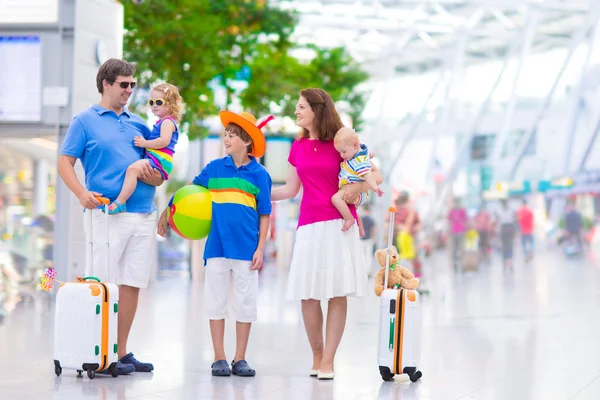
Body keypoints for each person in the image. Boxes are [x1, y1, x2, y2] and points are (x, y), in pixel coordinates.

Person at [58, 58, 163, 375]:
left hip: (143, 213)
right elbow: (65, 163)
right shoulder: (85, 121)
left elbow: (158, 171)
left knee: (132, 284)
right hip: (105, 213)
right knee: (103, 284)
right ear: (106, 83)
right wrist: (80, 193)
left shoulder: (139, 124)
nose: (129, 90)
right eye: (123, 84)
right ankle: (99, 352)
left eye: (132, 84)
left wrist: (155, 177)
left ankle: (119, 352)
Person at [271, 88, 383, 380]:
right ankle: (317, 355)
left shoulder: (341, 141)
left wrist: (355, 189)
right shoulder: (298, 146)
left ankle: (329, 360)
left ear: (318, 109)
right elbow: (289, 189)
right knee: (308, 295)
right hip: (308, 224)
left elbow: (375, 175)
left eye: (301, 107)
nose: (296, 112)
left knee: (336, 293)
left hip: (339, 224)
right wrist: (254, 194)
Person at [158, 111, 272, 377]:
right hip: (217, 247)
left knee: (245, 303)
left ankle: (240, 358)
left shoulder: (260, 175)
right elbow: (190, 192)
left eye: (231, 135)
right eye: (225, 134)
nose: (226, 139)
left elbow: (265, 213)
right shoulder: (214, 169)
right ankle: (219, 357)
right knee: (216, 302)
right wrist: (166, 211)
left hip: (246, 249)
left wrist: (260, 248)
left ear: (246, 141)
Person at [107, 83, 183, 215]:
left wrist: (144, 143)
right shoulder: (162, 121)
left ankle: (120, 202)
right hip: (158, 160)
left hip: (160, 159)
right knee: (136, 172)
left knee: (132, 170)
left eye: (159, 102)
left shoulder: (167, 122)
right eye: (151, 101)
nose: (154, 105)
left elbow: (164, 141)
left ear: (171, 104)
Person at [331, 127, 383, 235]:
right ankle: (361, 230)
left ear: (355, 145)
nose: (342, 156)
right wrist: (370, 154)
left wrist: (375, 187)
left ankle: (349, 219)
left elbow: (367, 175)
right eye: (340, 152)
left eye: (344, 152)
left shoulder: (357, 161)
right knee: (352, 209)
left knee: (335, 199)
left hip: (351, 187)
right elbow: (369, 153)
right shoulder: (362, 153)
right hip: (357, 191)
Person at [393, 191, 422, 277]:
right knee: (399, 259)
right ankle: (399, 279)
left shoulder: (412, 210)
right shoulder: (395, 209)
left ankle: (416, 279)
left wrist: (415, 228)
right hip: (398, 238)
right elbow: (390, 223)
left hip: (410, 238)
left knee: (414, 259)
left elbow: (419, 223)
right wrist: (400, 227)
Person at [447, 199, 468, 269]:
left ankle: (462, 260)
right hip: (454, 231)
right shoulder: (451, 211)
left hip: (461, 231)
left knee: (461, 246)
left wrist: (465, 229)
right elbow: (449, 221)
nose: (456, 204)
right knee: (454, 247)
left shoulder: (462, 211)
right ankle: (455, 261)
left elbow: (466, 220)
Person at [496, 199, 517, 269]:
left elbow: (498, 222)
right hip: (508, 229)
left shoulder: (500, 211)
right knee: (508, 247)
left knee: (507, 247)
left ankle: (507, 263)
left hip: (505, 229)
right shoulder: (510, 210)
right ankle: (508, 263)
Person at [359, 205, 376, 277]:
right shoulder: (371, 219)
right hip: (368, 239)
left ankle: (360, 271)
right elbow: (374, 230)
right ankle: (367, 272)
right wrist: (373, 239)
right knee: (368, 256)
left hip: (360, 239)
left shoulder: (360, 218)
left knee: (360, 255)